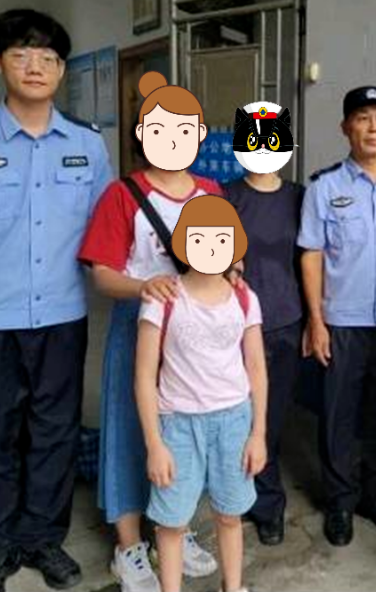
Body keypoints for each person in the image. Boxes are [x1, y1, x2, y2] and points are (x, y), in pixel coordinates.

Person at [78, 72, 221, 592]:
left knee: (187, 433)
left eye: (184, 129)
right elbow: (102, 273)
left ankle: (175, 533)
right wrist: (144, 286)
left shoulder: (210, 191)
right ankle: (129, 546)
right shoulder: (123, 195)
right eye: (160, 129)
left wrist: (232, 273)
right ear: (142, 135)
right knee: (128, 429)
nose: (172, 139)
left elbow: (228, 256)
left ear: (199, 135)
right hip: (139, 327)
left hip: (195, 335)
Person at [0, 8, 113, 592]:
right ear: (0, 64)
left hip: (63, 315)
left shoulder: (88, 146)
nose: (35, 66)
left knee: (54, 430)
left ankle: (42, 538)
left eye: (47, 57)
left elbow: (110, 231)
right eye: (21, 54)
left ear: (62, 70)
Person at [298, 86, 376, 547]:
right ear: (346, 127)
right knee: (339, 417)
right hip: (343, 323)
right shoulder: (324, 187)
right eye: (363, 118)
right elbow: (311, 254)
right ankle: (340, 502)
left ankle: (375, 496)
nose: (372, 127)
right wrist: (316, 321)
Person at [135, 195, 267, 592]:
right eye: (200, 238)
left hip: (234, 421)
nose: (210, 248)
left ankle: (233, 586)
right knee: (172, 523)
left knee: (230, 515)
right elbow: (144, 376)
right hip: (177, 425)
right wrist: (154, 444)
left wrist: (258, 433)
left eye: (221, 239)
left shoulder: (244, 298)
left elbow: (256, 368)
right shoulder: (162, 300)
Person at [225, 100, 305, 546]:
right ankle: (236, 496)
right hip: (235, 326)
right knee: (235, 414)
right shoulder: (225, 196)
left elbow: (311, 262)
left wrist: (315, 321)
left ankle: (267, 503)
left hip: (286, 321)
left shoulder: (299, 198)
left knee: (269, 418)